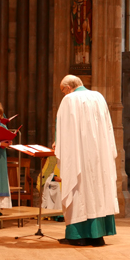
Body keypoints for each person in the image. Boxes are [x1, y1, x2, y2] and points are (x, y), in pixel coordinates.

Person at [55, 74, 117, 246]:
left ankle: (79, 236)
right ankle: (97, 236)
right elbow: (108, 127)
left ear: (68, 88)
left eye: (63, 91)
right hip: (98, 156)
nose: (63, 95)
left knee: (79, 191)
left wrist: (59, 145)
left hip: (79, 157)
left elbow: (64, 129)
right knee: (97, 191)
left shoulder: (69, 100)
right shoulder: (99, 97)